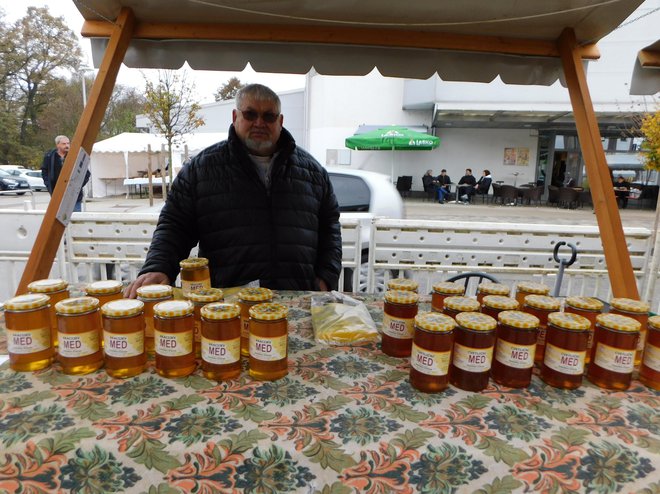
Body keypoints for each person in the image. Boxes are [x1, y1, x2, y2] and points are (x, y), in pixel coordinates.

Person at [125, 84, 342, 297]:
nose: (259, 123)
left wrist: (326, 275)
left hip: (297, 301)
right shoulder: (201, 170)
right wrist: (158, 267)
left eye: (269, 116)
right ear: (235, 116)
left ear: (281, 121)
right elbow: (174, 225)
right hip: (227, 307)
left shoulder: (312, 172)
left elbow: (330, 226)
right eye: (250, 114)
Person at [41, 135, 90, 212]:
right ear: (57, 145)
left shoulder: (76, 155)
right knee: (58, 219)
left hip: (73, 195)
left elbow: (86, 173)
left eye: (68, 143)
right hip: (57, 194)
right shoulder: (50, 156)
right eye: (64, 144)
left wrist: (78, 185)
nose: (67, 145)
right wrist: (48, 184)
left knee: (75, 219)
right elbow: (44, 172)